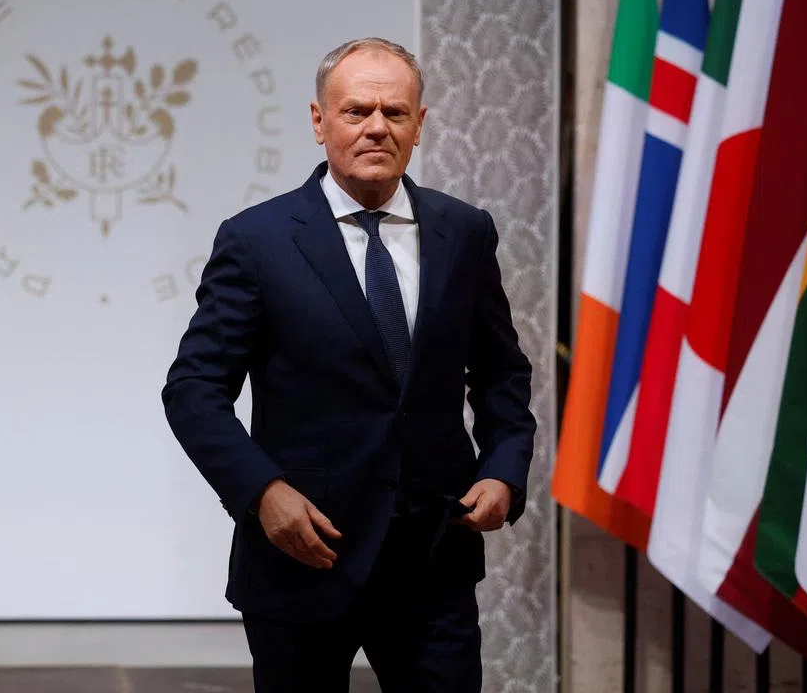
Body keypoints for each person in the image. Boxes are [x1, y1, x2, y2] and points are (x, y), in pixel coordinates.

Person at [161, 37, 536, 693]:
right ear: (318, 121)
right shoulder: (257, 240)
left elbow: (501, 371)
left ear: (420, 126)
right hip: (301, 554)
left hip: (432, 559)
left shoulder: (465, 231)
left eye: (394, 113)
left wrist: (505, 467)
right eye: (356, 110)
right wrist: (262, 493)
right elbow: (193, 388)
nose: (375, 127)